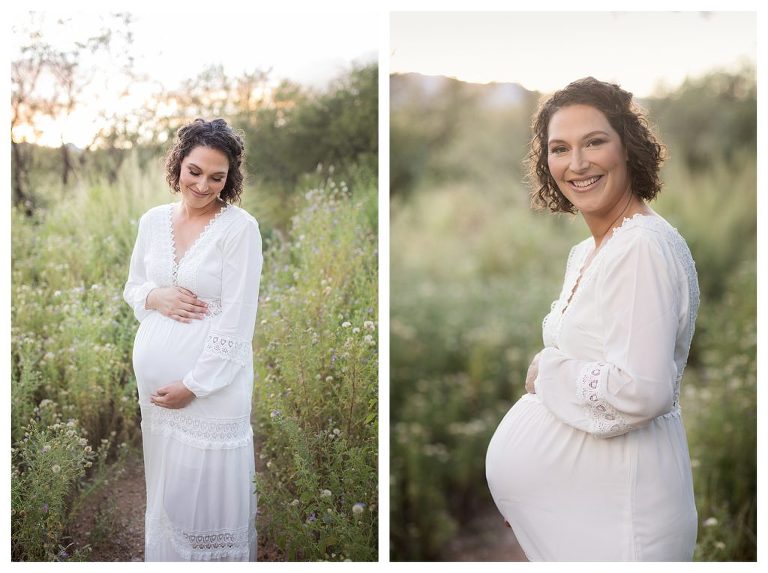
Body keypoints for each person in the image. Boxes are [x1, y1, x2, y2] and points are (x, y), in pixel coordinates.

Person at [485, 77, 700, 561]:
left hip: (623, 519)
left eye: (594, 142)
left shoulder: (641, 247)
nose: (576, 164)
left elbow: (642, 391)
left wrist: (548, 370)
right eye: (559, 148)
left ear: (629, 147)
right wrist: (538, 497)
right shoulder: (592, 249)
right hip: (585, 511)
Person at [123, 118, 263, 561]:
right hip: (157, 394)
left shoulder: (240, 229)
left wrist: (195, 385)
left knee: (205, 504)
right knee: (169, 491)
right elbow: (133, 289)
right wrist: (156, 296)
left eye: (217, 177)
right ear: (178, 165)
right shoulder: (152, 221)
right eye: (195, 171)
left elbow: (239, 320)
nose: (203, 185)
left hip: (210, 389)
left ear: (230, 179)